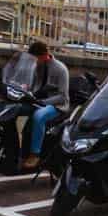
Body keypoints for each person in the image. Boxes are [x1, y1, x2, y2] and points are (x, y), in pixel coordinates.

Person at [22, 40, 69, 171]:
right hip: (36, 100)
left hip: (56, 105)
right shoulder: (35, 66)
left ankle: (35, 154)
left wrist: (44, 102)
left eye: (34, 58)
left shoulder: (60, 69)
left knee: (39, 116)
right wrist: (25, 89)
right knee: (14, 109)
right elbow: (31, 84)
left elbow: (63, 96)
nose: (32, 61)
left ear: (43, 56)